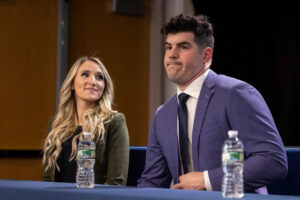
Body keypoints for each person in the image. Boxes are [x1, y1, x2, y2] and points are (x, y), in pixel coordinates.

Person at [137, 14, 287, 194]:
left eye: (183, 47)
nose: (172, 54)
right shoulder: (162, 114)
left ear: (206, 55)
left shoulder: (236, 93)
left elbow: (273, 161)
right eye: (168, 47)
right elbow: (152, 181)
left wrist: (206, 180)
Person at [42, 56, 129, 185]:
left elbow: (116, 181)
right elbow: (47, 179)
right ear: (72, 84)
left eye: (99, 77)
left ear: (104, 86)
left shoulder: (114, 121)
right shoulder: (55, 123)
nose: (93, 81)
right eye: (85, 74)